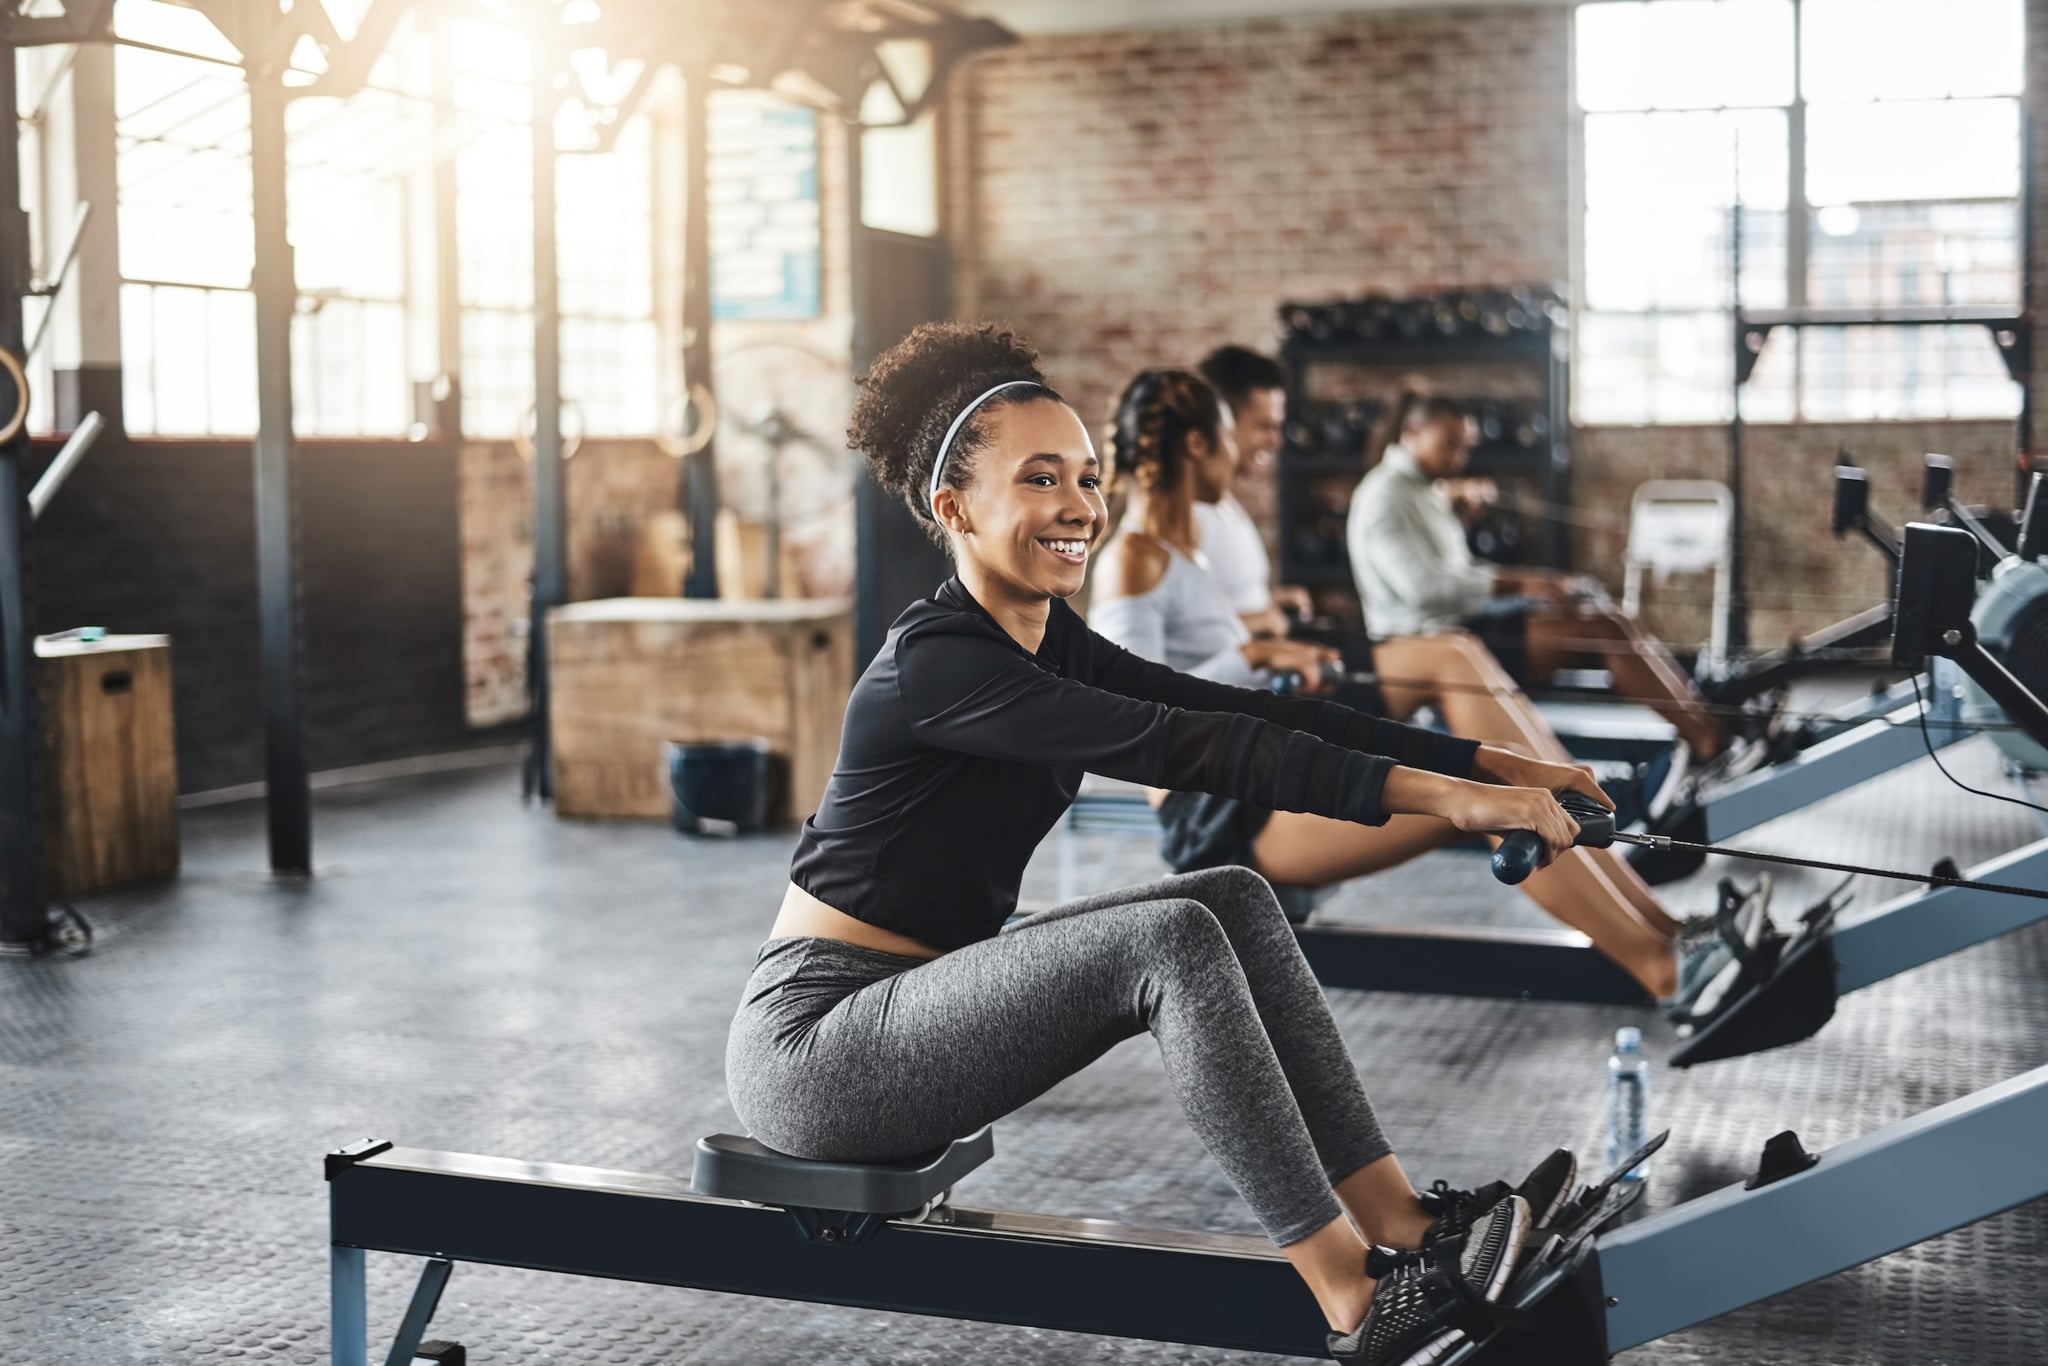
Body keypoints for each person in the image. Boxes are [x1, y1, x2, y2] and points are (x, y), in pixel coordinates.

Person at [725, 322, 1594, 1366]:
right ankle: (1358, 1302)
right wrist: (1438, 803)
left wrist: (1491, 766)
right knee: (1170, 939)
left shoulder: (1043, 635)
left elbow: (1244, 714)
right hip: (821, 1047)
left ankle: (1404, 1224)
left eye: (1086, 477)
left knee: (1226, 891)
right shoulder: (940, 664)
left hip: (912, 1008)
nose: (1079, 507)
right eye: (1039, 478)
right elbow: (1184, 745)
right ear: (955, 509)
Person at [1087, 368, 1766, 1016]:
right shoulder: (1133, 555)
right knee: (1499, 809)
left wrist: (1270, 642)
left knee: (1491, 737)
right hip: (1223, 814)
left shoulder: (1186, 551)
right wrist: (1257, 653)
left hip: (1271, 762)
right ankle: (1664, 968)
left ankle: (1671, 930)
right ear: (1199, 443)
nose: (1242, 452)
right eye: (1231, 436)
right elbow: (1133, 709)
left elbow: (1201, 659)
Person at [1346, 389, 1734, 767]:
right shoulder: (1385, 496)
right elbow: (1423, 588)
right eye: (1449, 445)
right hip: (1428, 645)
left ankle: (1708, 723)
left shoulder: (1421, 489)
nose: (1458, 459)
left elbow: (1453, 571)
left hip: (1464, 624)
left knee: (1606, 616)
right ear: (1410, 436)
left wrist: (1536, 586)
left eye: (1463, 447)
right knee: (1601, 629)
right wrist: (1521, 583)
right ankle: (1708, 739)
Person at [1192, 343, 1309, 638]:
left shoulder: (1225, 503)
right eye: (1264, 427)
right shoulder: (1182, 514)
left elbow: (1217, 604)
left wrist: (1268, 604)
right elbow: (1177, 634)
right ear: (1221, 423)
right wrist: (1260, 621)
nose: (1276, 441)